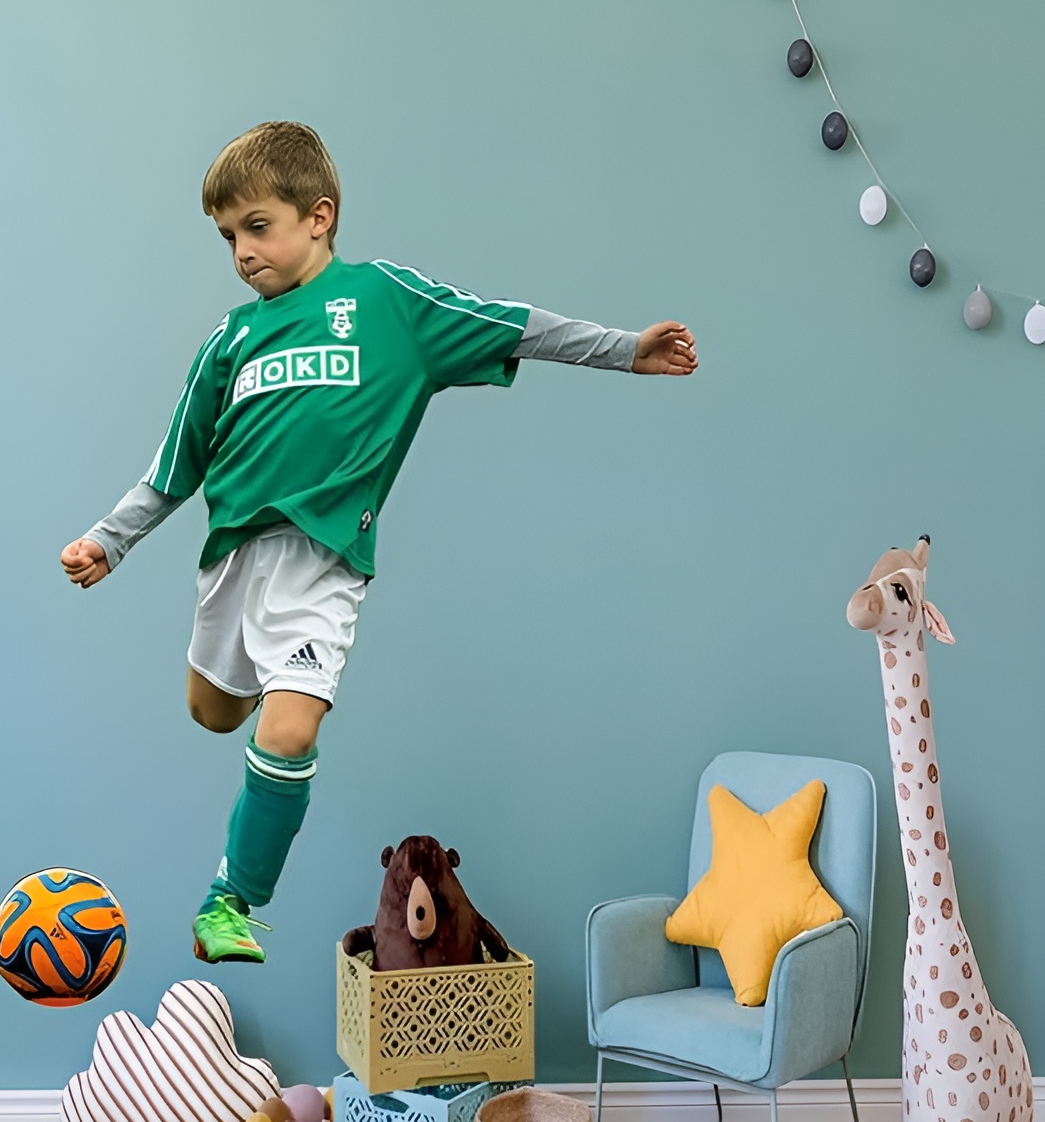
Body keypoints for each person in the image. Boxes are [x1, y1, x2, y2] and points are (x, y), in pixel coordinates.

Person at [61, 121, 697, 964]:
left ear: (319, 216)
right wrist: (109, 542)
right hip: (233, 563)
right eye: (228, 236)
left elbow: (513, 324)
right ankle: (257, 704)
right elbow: (175, 464)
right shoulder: (230, 340)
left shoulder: (387, 302)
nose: (242, 252)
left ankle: (231, 900)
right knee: (212, 713)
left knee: (290, 734)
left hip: (324, 565)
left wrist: (625, 351)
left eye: (258, 226)